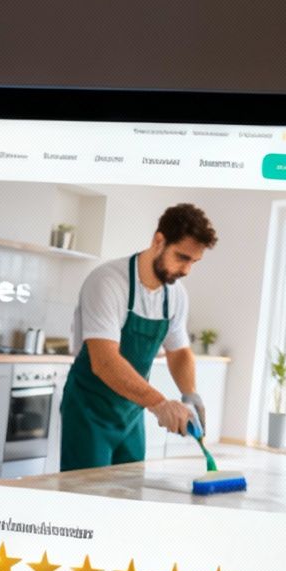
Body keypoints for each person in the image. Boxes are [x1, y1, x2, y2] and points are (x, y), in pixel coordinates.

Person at [59, 202, 214, 471]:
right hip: (89, 412)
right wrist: (160, 403)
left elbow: (179, 351)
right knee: (86, 491)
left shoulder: (175, 294)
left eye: (194, 262)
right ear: (159, 241)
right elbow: (104, 362)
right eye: (182, 257)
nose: (187, 270)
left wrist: (190, 393)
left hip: (132, 414)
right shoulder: (108, 281)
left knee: (129, 488)